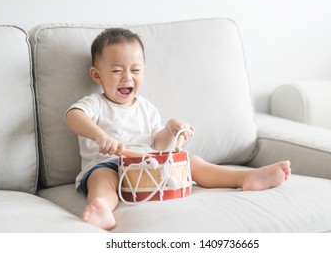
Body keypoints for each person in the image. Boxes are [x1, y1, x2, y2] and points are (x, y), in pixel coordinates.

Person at [65, 28, 291, 230]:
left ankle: (245, 178)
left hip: (147, 164)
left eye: (135, 70)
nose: (127, 77)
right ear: (97, 75)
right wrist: (100, 135)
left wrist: (171, 130)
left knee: (192, 162)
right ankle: (102, 208)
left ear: (144, 71)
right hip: (108, 164)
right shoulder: (96, 104)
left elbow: (159, 144)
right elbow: (73, 117)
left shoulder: (146, 107)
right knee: (102, 178)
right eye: (116, 71)